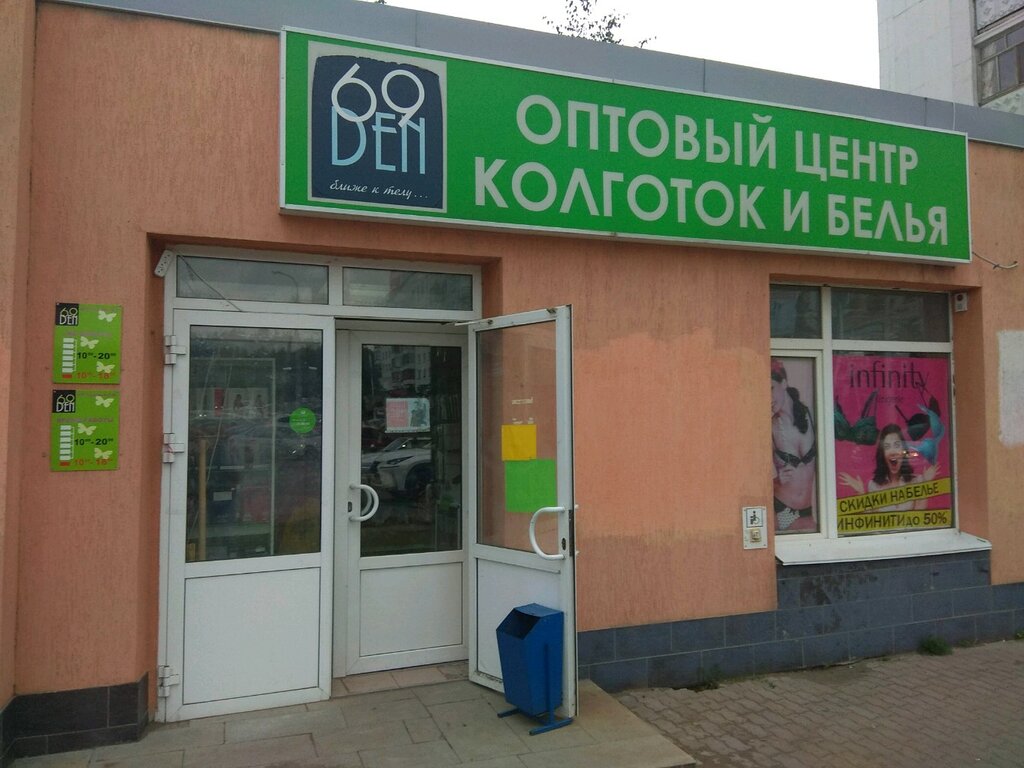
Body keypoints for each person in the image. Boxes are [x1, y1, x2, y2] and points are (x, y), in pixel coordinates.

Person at [839, 423, 939, 511]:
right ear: (882, 453)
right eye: (887, 447)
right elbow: (872, 520)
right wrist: (861, 493)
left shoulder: (917, 481)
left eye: (897, 445)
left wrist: (926, 483)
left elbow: (919, 516)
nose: (892, 452)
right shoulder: (874, 485)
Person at [771, 359, 817, 532]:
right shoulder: (770, 427)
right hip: (780, 509)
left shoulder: (812, 415)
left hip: (807, 511)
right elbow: (753, 479)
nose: (768, 398)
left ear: (784, 383)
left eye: (771, 388)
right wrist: (777, 480)